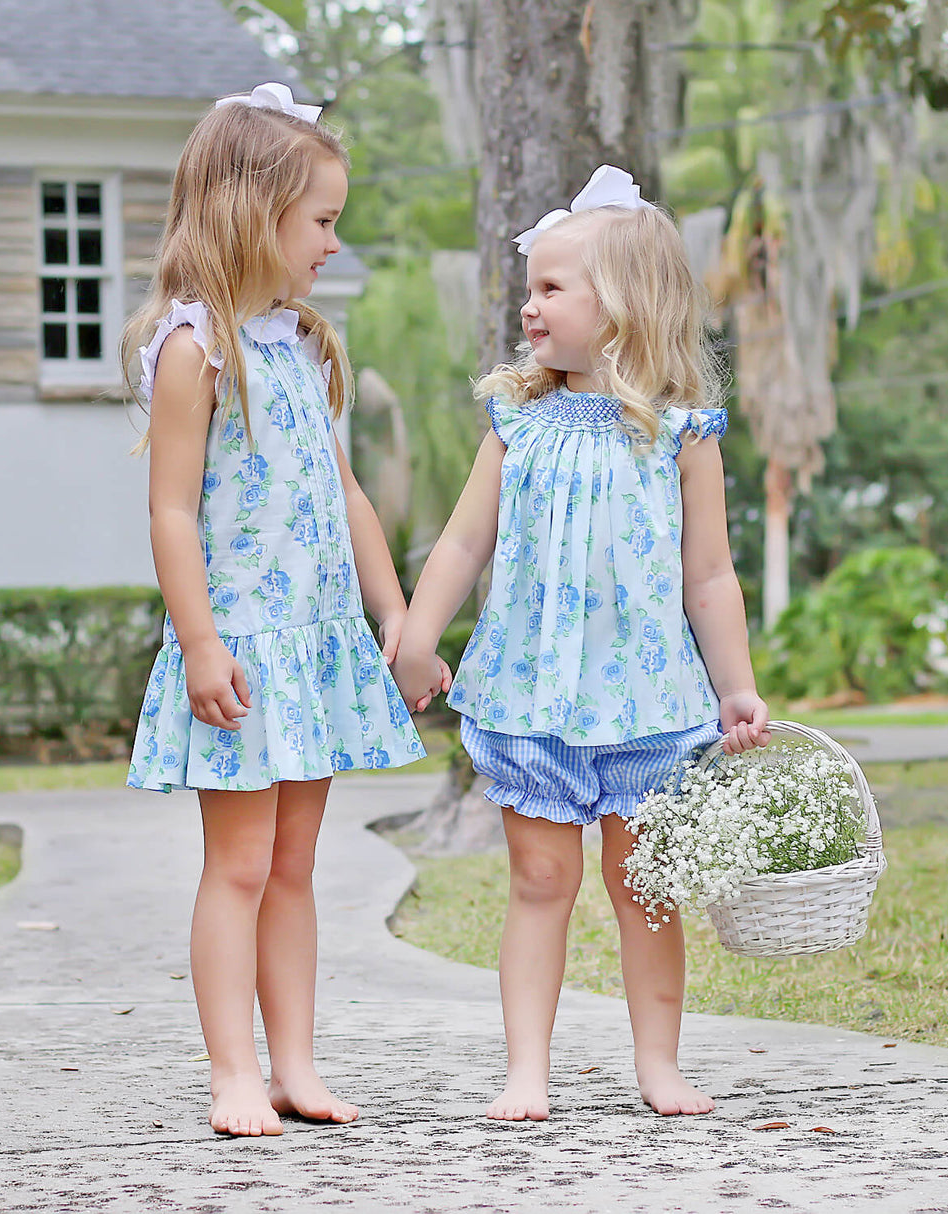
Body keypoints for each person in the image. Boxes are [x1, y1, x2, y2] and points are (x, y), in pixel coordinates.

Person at [392, 166, 769, 1121]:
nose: (531, 307)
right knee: (540, 879)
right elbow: (463, 541)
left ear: (624, 304)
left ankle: (659, 1063)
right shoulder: (515, 423)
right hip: (532, 695)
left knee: (645, 886)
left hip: (647, 698)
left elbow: (710, 575)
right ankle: (528, 1070)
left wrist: (737, 687)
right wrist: (415, 637)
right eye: (531, 288)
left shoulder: (683, 433)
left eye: (553, 288)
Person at [123, 83, 443, 1137]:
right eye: (320, 220)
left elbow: (344, 493)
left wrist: (394, 612)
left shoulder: (299, 343)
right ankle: (229, 1070)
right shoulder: (194, 348)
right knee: (242, 864)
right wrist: (201, 640)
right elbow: (171, 508)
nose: (331, 244)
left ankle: (295, 1064)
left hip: (311, 645)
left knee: (297, 866)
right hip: (244, 648)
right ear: (250, 211)